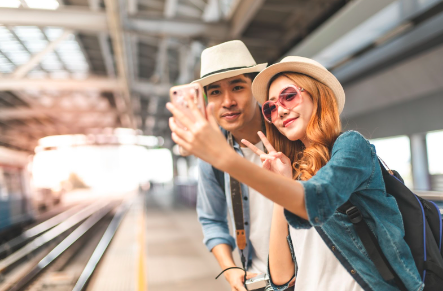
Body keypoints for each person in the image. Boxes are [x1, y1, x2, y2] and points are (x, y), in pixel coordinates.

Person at [166, 56, 423, 291]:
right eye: (271, 107)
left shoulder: (351, 146)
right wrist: (283, 183)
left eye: (289, 96)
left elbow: (318, 199)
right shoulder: (294, 170)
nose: (281, 111)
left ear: (317, 95)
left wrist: (227, 159)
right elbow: (280, 277)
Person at [190, 40, 275, 291]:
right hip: (259, 280)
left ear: (257, 89)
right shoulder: (211, 155)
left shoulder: (289, 133)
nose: (227, 101)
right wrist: (229, 268)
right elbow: (211, 219)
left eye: (237, 87)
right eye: (215, 92)